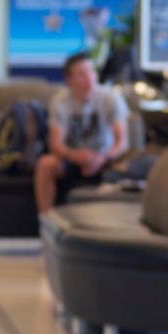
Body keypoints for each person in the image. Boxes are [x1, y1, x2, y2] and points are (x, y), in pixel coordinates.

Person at [33, 50, 133, 214]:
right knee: (46, 164)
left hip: (105, 157)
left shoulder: (111, 98)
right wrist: (75, 156)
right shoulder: (60, 102)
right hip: (72, 157)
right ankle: (46, 222)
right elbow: (56, 144)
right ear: (69, 80)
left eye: (91, 71)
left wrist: (102, 157)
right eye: (81, 74)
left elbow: (121, 143)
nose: (89, 78)